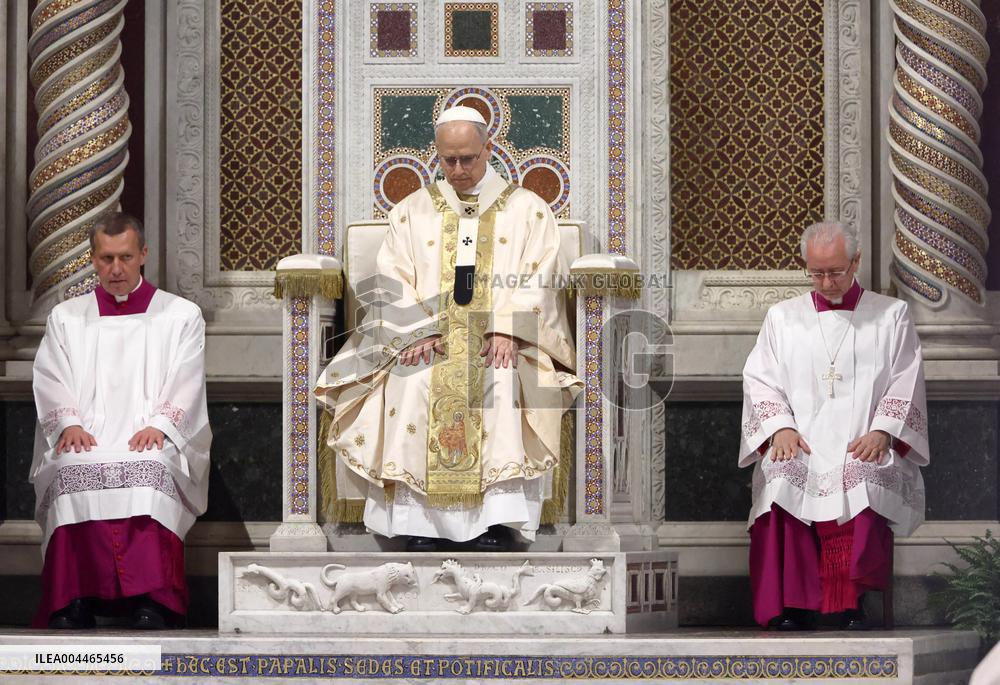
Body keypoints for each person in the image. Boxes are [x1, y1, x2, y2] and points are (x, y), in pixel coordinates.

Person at [315, 105, 581, 552]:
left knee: (498, 381)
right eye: (448, 159)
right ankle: (421, 524)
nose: (457, 170)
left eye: (468, 159)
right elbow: (390, 277)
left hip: (500, 341)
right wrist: (416, 330)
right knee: (412, 382)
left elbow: (540, 276)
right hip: (425, 340)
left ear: (488, 149)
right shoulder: (411, 212)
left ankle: (495, 524)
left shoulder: (528, 211)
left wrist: (508, 329)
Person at [739, 221, 928, 630]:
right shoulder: (782, 318)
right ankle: (791, 604)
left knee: (860, 476)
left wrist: (884, 431)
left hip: (862, 440)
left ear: (856, 261)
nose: (826, 281)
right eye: (817, 272)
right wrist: (779, 428)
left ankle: (850, 603)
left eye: (837, 271)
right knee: (781, 475)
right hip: (801, 441)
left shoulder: (891, 315)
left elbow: (906, 376)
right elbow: (759, 378)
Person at [30, 212, 211, 629]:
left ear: (143, 255)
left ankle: (154, 601)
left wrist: (163, 427)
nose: (116, 269)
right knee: (71, 468)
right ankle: (73, 600)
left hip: (150, 434)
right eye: (107, 258)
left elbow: (187, 379)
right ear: (92, 259)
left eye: (126, 257)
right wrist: (69, 424)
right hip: (85, 434)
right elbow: (51, 376)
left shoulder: (180, 316)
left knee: (150, 472)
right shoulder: (67, 318)